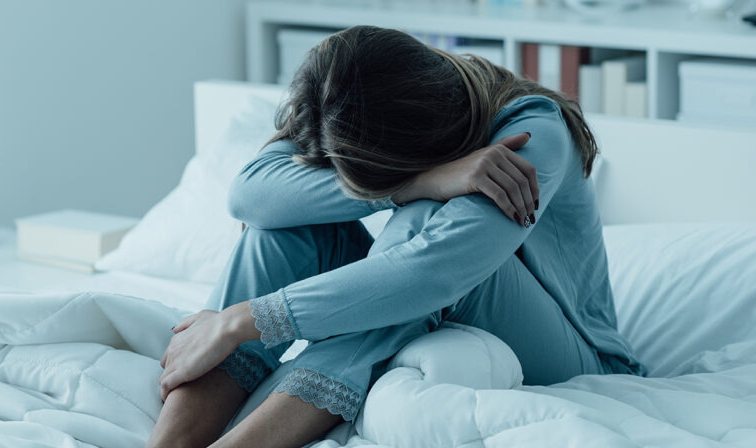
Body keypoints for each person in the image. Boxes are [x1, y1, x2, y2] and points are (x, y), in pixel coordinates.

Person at [148, 25, 645, 448]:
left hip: (579, 357)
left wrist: (241, 321)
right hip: (442, 278)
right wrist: (415, 183)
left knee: (422, 230)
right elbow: (249, 196)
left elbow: (434, 271)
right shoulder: (351, 96)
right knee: (282, 233)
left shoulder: (533, 131)